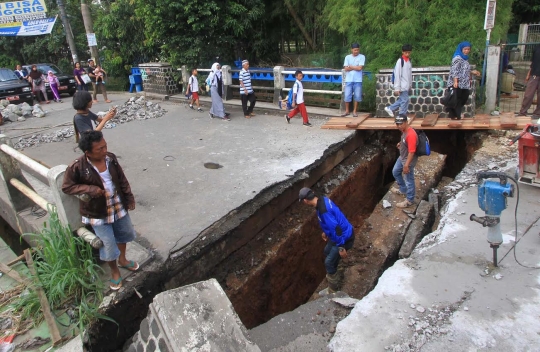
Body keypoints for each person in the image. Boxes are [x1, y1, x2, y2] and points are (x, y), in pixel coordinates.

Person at [62, 130, 139, 290]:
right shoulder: (77, 166)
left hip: (117, 204)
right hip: (97, 212)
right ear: (88, 152)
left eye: (105, 146)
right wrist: (89, 189)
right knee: (108, 244)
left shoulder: (110, 158)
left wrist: (129, 197)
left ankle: (123, 260)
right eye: (100, 149)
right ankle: (115, 271)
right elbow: (67, 187)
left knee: (124, 233)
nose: (104, 151)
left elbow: (122, 179)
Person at [299, 187, 354, 293]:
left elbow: (336, 229)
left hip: (344, 237)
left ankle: (333, 289)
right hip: (339, 234)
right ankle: (339, 270)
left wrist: (341, 248)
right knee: (326, 251)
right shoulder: (321, 200)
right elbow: (332, 223)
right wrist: (326, 231)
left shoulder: (323, 210)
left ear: (305, 201)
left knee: (328, 263)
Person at [446, 41, 481, 120]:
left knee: (464, 97)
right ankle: (456, 116)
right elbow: (455, 70)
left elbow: (464, 70)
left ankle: (453, 114)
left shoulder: (465, 59)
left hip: (464, 83)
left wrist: (472, 72)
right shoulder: (457, 58)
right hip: (457, 83)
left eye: (468, 49)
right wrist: (455, 81)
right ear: (461, 49)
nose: (466, 51)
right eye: (465, 49)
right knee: (457, 99)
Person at [391, 114, 418, 208]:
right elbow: (405, 141)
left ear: (406, 122)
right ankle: (403, 189)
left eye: (400, 124)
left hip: (408, 160)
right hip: (402, 157)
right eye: (397, 124)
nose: (398, 126)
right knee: (395, 172)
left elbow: (412, 152)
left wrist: (406, 165)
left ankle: (409, 200)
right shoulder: (404, 131)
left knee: (409, 180)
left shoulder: (411, 135)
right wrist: (401, 144)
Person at [385, 44, 413, 117]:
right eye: (406, 52)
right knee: (404, 100)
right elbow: (397, 75)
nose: (407, 54)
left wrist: (410, 85)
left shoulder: (409, 61)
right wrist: (397, 87)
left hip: (406, 85)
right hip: (402, 85)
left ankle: (390, 108)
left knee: (402, 100)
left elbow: (410, 74)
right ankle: (402, 116)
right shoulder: (400, 61)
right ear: (402, 52)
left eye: (409, 52)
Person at [341, 43, 365, 117]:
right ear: (352, 50)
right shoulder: (347, 57)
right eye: (355, 50)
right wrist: (355, 67)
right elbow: (346, 68)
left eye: (357, 50)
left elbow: (360, 68)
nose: (356, 51)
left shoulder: (362, 57)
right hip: (349, 79)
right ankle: (347, 110)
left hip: (358, 80)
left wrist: (350, 66)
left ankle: (355, 111)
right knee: (347, 95)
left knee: (357, 96)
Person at [517, 45, 540, 118]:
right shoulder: (536, 47)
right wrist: (528, 73)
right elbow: (532, 63)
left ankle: (537, 113)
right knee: (528, 94)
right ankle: (522, 112)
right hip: (534, 75)